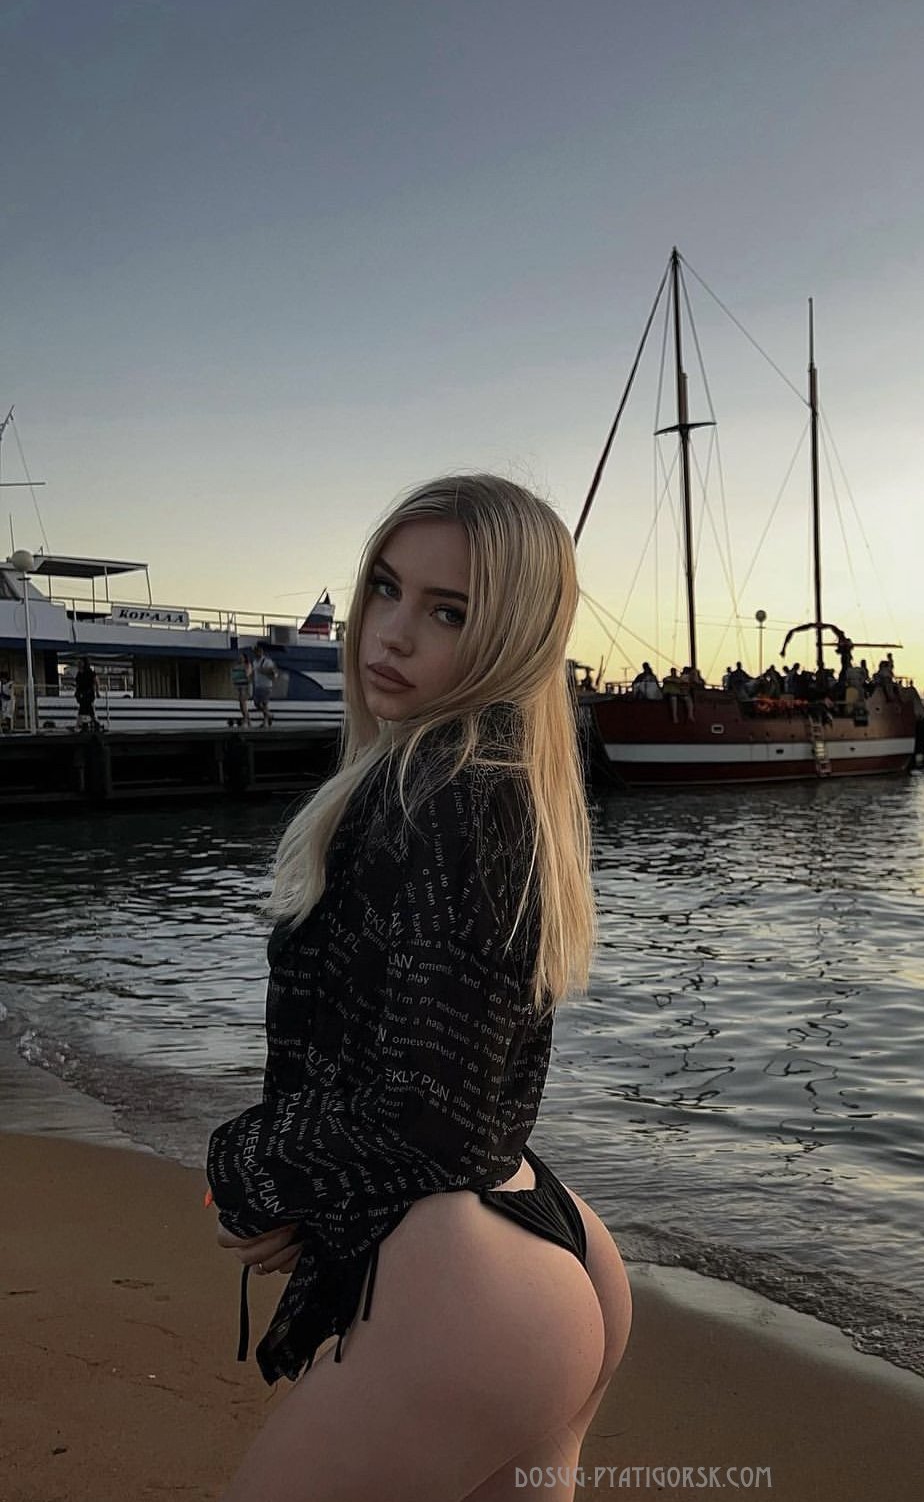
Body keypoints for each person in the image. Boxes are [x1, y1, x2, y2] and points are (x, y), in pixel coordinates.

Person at [206, 474, 631, 1502]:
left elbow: (429, 1119)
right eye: (387, 589)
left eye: (449, 612)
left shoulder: (441, 792)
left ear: (513, 639)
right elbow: (455, 1094)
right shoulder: (500, 786)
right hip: (540, 1237)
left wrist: (247, 1169)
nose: (391, 633)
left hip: (462, 1284)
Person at [251, 643, 279, 728]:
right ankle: (269, 714)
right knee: (256, 703)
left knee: (264, 703)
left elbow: (273, 671)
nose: (257, 653)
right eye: (256, 651)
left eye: (258, 651)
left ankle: (265, 722)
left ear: (261, 652)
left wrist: (263, 670)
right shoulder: (254, 662)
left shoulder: (267, 661)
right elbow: (254, 672)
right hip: (258, 685)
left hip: (266, 685)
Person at [74, 657, 98, 731]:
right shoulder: (79, 674)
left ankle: (85, 723)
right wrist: (77, 693)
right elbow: (78, 684)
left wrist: (97, 691)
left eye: (81, 663)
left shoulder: (90, 672)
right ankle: (85, 723)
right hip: (82, 693)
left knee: (86, 708)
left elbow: (95, 681)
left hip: (88, 693)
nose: (79, 664)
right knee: (85, 708)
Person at [231, 650, 253, 728]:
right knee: (241, 704)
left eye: (242, 657)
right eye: (239, 657)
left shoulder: (247, 665)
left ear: (245, 658)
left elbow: (248, 675)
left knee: (243, 703)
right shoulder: (237, 666)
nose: (240, 658)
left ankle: (246, 720)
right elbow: (234, 675)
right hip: (239, 686)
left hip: (245, 686)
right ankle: (248, 721)